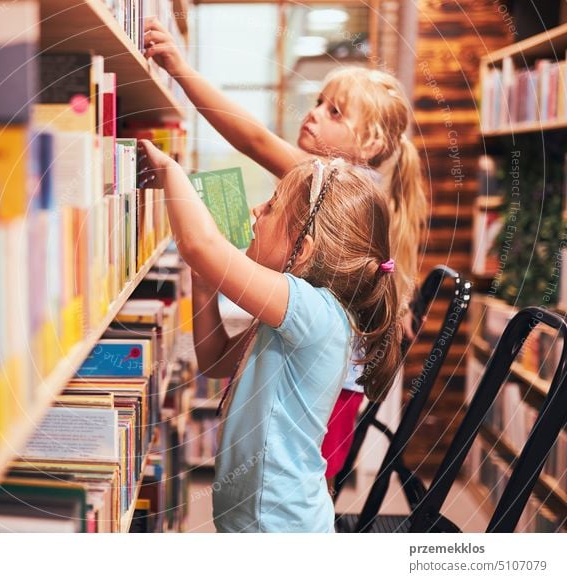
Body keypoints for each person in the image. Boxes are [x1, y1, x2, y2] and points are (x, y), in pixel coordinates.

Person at [143, 17, 427, 485]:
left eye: (335, 112)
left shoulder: (334, 186)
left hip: (325, 392)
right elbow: (216, 359)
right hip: (330, 386)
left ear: (370, 143)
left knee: (296, 485)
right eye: (318, 102)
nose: (313, 113)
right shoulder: (352, 192)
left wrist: (180, 68)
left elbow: (251, 138)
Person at [139, 141, 401, 532]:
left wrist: (172, 171)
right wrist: (203, 283)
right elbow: (213, 360)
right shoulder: (288, 318)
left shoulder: (316, 313)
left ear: (303, 251)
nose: (257, 211)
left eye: (272, 206)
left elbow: (199, 244)